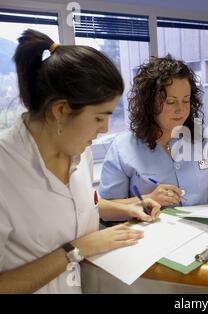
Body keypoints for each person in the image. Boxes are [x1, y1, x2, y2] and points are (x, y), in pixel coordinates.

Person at [0, 29, 161, 294]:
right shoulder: (6, 169)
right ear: (61, 110)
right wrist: (76, 249)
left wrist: (129, 207)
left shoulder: (78, 150)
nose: (105, 129)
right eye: (99, 118)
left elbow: (83, 204)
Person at [99, 55, 208, 207]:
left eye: (186, 100)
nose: (181, 110)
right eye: (171, 102)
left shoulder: (206, 139)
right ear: (149, 103)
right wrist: (147, 198)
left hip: (204, 235)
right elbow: (105, 208)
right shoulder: (123, 148)